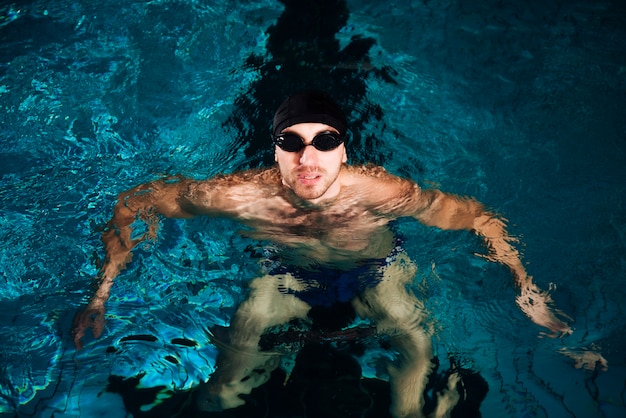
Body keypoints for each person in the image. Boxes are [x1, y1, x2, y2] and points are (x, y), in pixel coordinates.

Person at [73, 91, 572, 418]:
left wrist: (526, 290)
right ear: (274, 151)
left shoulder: (382, 192)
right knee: (221, 390)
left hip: (376, 274)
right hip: (282, 275)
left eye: (324, 141)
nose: (307, 158)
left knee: (415, 358)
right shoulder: (236, 195)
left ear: (344, 150)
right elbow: (132, 203)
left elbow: (481, 218)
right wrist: (101, 297)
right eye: (291, 142)